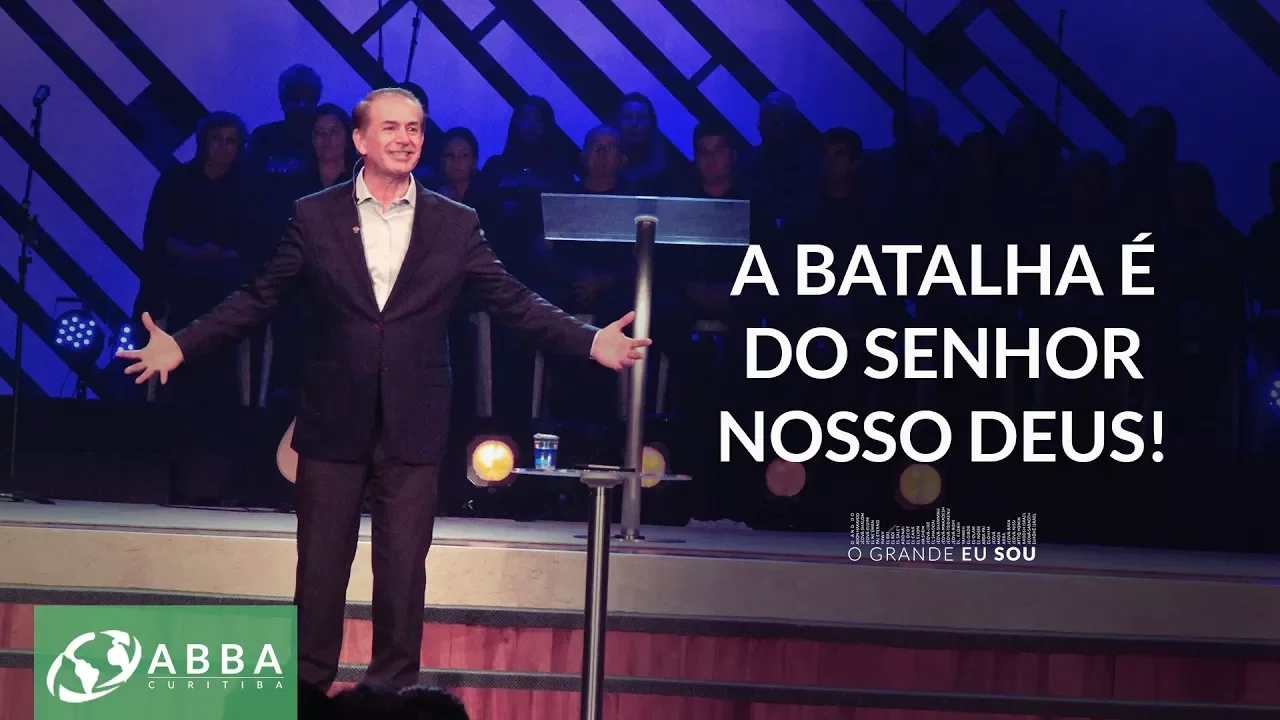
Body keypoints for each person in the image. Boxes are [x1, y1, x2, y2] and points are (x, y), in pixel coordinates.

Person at [117, 87, 650, 693]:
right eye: (391, 127)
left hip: (414, 420)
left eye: (415, 128)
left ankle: (391, 694)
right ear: (360, 140)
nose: (405, 138)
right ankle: (306, 693)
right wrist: (183, 345)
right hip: (332, 417)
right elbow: (259, 297)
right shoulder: (315, 215)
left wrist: (588, 340)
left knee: (401, 576)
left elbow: (513, 300)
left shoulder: (454, 222)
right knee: (320, 574)